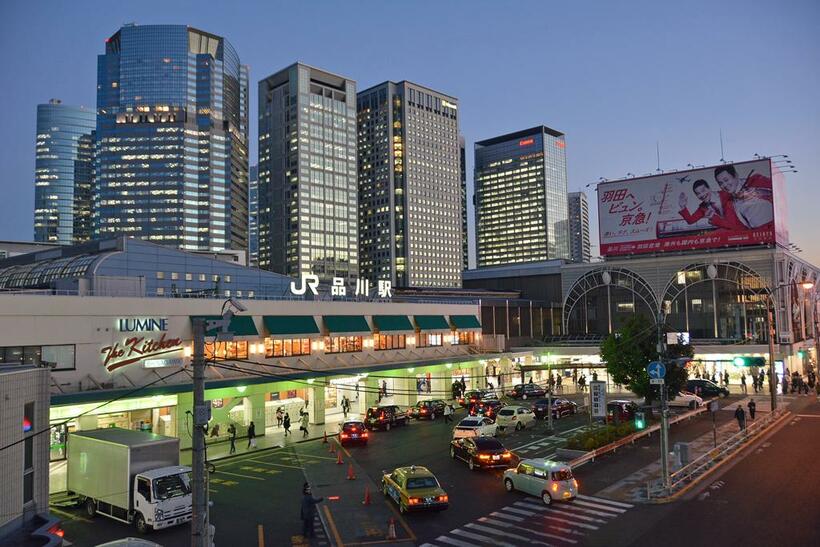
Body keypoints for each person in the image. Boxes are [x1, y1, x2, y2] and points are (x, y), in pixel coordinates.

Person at [714, 164, 774, 230]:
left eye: (726, 180)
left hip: (773, 228)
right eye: (720, 183)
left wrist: (758, 192)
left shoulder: (754, 181)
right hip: (756, 234)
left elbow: (777, 188)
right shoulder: (730, 202)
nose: (724, 185)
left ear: (736, 175)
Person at [678, 179, 744, 230]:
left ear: (709, 188)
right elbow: (690, 220)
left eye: (703, 190)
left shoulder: (726, 194)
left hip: (744, 228)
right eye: (698, 193)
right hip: (729, 232)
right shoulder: (703, 208)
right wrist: (682, 206)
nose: (702, 195)